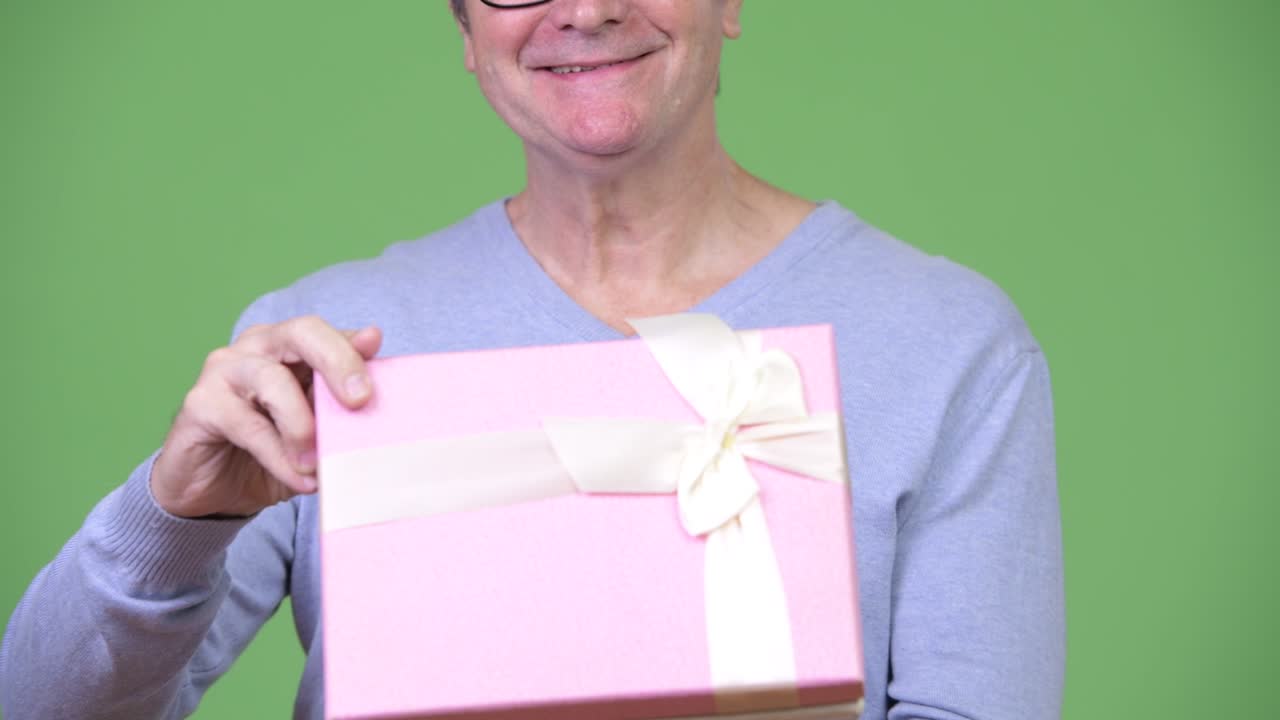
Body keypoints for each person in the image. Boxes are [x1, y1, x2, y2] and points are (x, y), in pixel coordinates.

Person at [0, 1, 1065, 718]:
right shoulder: (329, 346)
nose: (587, 7)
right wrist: (175, 519)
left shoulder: (945, 342)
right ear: (465, 30)